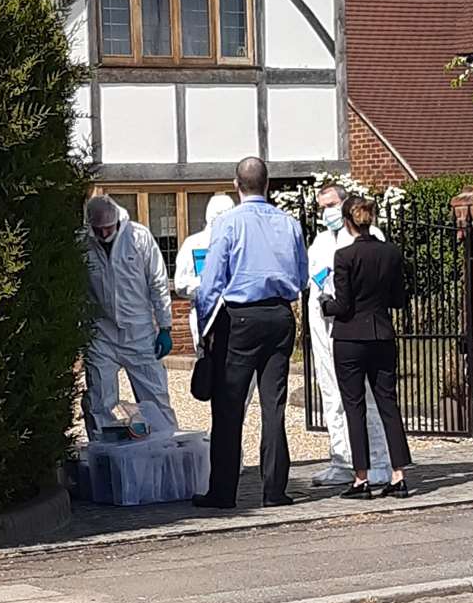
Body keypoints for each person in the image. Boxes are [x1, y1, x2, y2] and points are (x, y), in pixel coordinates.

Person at [193, 157, 307, 509]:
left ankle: (223, 492)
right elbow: (302, 278)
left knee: (229, 406)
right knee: (273, 406)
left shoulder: (227, 224)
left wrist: (204, 328)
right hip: (279, 314)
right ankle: (274, 490)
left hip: (240, 317)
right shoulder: (289, 223)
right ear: (267, 184)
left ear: (236, 184)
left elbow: (210, 285)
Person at [320, 194, 411, 500]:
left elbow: (343, 305)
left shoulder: (344, 256)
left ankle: (361, 478)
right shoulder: (391, 253)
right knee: (388, 404)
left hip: (350, 338)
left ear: (347, 222)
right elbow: (399, 299)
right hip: (382, 334)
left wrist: (325, 304)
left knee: (354, 407)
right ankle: (398, 474)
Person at [305, 182, 393, 489]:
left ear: (345, 207)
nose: (325, 212)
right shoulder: (318, 242)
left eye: (330, 205)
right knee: (332, 394)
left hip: (354, 326)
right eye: (321, 207)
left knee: (366, 397)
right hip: (324, 324)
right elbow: (313, 277)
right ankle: (343, 459)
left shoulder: (369, 238)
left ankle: (378, 461)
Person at [82, 194, 176, 439]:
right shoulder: (82, 243)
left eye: (107, 228)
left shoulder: (139, 237)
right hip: (101, 332)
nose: (103, 235)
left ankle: (166, 451)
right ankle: (105, 454)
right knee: (98, 400)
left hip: (140, 332)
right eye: (98, 230)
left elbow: (158, 282)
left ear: (117, 220)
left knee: (155, 400)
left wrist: (165, 326)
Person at [173, 193, 237, 354]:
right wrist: (208, 285)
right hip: (205, 315)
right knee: (209, 365)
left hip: (237, 314)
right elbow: (180, 283)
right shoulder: (193, 243)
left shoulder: (240, 242)